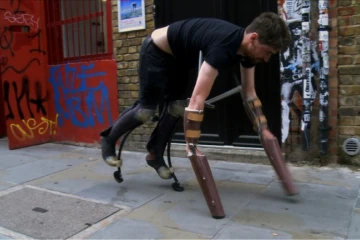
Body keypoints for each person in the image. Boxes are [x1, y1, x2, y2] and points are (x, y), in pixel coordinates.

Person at [100, 12, 291, 180]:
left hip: (179, 60)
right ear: (253, 38)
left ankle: (154, 154)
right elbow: (197, 99)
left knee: (176, 108)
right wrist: (192, 145)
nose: (266, 59)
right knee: (146, 111)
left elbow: (249, 94)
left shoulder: (248, 54)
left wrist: (263, 128)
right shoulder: (223, 46)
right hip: (157, 51)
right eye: (267, 52)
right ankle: (109, 139)